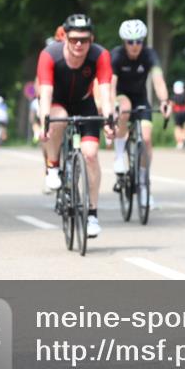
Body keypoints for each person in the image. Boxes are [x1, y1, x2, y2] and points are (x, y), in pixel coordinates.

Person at [37, 14, 114, 239]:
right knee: (58, 118)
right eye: (73, 39)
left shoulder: (100, 55)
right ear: (65, 39)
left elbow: (106, 91)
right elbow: (45, 93)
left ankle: (92, 215)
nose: (79, 44)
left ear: (92, 39)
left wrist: (108, 120)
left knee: (90, 154)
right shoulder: (49, 55)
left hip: (84, 102)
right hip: (57, 102)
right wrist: (44, 123)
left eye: (84, 39)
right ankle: (53, 166)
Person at [111, 19, 170, 208]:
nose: (135, 45)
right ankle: (119, 156)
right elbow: (111, 84)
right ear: (124, 42)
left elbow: (158, 80)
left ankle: (144, 186)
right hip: (121, 96)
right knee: (125, 107)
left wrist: (164, 101)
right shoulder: (117, 55)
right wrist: (111, 106)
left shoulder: (149, 54)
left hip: (141, 99)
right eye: (130, 42)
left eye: (138, 41)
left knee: (146, 139)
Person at [170, 81, 185, 149]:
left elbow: (171, 104)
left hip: (177, 113)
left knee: (178, 127)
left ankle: (180, 142)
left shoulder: (173, 96)